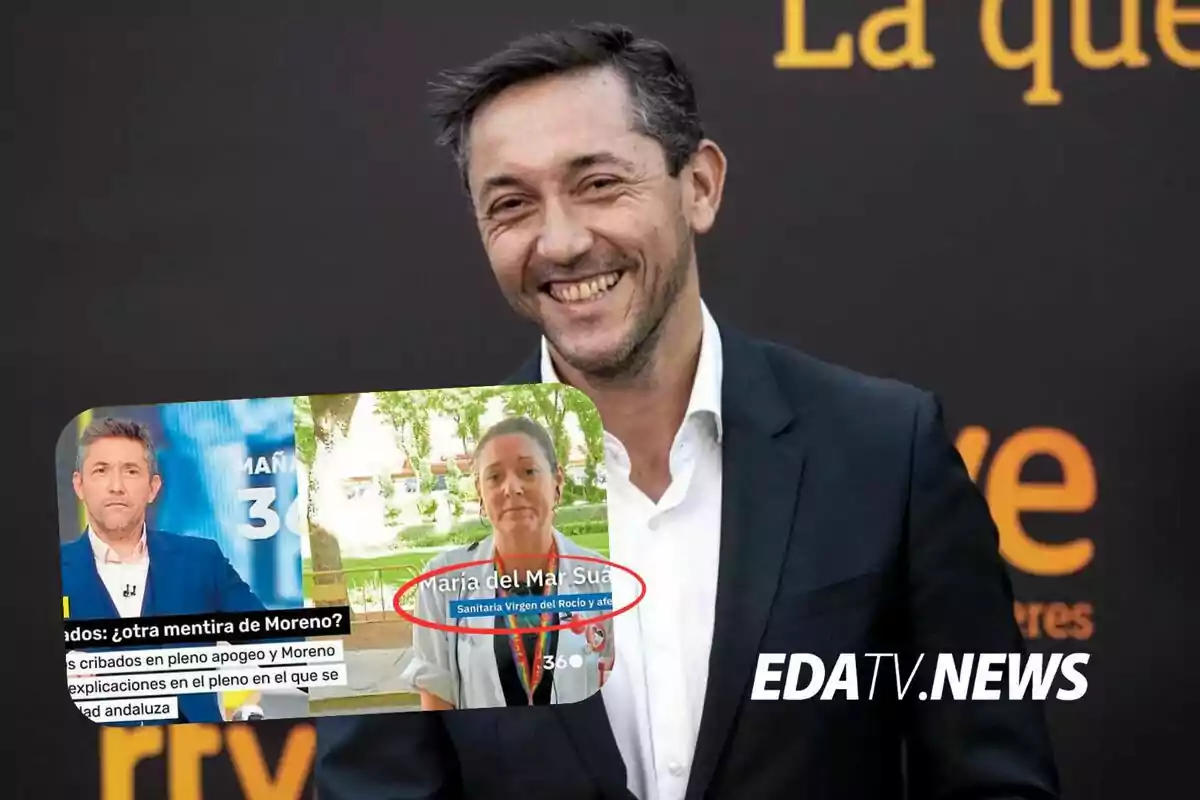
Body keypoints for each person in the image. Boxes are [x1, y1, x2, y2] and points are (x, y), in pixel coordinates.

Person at [316, 22, 1059, 800]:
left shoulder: (884, 450)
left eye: (599, 184)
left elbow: (994, 781)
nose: (561, 241)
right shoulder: (391, 522)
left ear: (698, 186)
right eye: (512, 204)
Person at [400, 416, 614, 710]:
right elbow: (437, 707)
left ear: (557, 482)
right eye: (495, 477)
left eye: (528, 471)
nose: (512, 488)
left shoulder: (603, 579)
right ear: (480, 492)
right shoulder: (441, 582)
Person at [61, 416, 266, 724]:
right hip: (94, 761)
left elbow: (272, 640)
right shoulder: (47, 573)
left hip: (196, 756)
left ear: (153, 487)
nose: (116, 487)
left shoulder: (201, 560)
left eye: (130, 472)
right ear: (79, 484)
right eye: (101, 471)